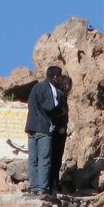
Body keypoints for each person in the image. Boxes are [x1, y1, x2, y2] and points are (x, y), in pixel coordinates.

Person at [25, 66, 65, 195]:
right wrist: (62, 111)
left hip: (30, 127)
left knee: (33, 159)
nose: (60, 80)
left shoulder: (36, 87)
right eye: (59, 77)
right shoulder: (50, 88)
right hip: (43, 127)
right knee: (44, 159)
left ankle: (33, 187)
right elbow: (50, 107)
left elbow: (30, 103)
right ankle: (42, 188)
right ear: (55, 77)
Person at [48, 74, 70, 196]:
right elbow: (60, 113)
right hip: (57, 132)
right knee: (55, 159)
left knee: (55, 160)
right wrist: (61, 127)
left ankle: (54, 185)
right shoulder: (60, 96)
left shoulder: (59, 95)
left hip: (57, 131)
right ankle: (53, 186)